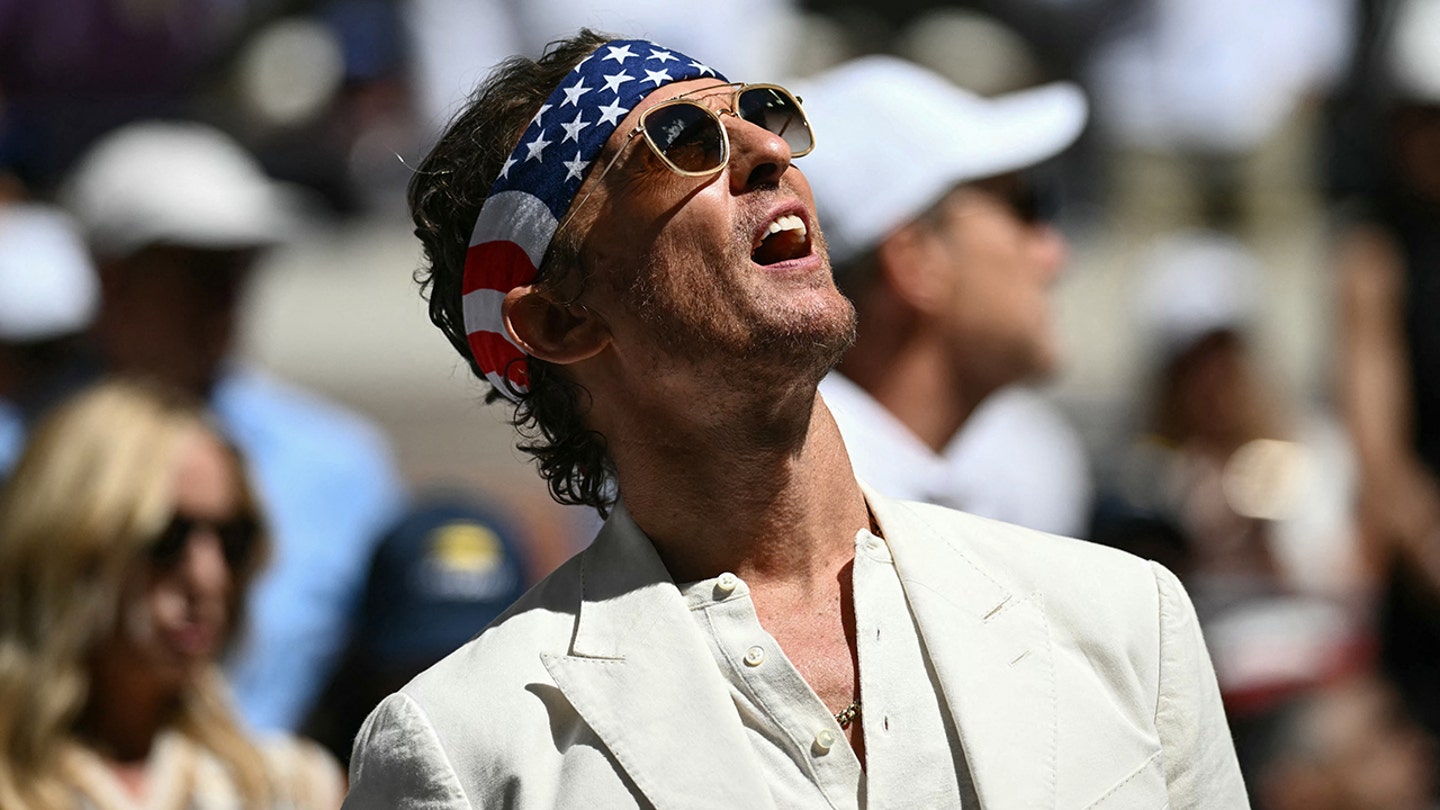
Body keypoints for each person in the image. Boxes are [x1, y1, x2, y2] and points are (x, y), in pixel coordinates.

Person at [344, 31, 1247, 808]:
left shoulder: (1127, 622)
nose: (768, 154)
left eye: (761, 114)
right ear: (562, 322)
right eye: (681, 141)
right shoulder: (470, 749)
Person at [39, 120, 408, 733]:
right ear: (113, 280)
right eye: (194, 268)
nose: (225, 297)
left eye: (239, 267)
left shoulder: (341, 465)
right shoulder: (24, 449)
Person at [0, 378, 343, 809]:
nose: (209, 577)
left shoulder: (293, 787)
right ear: (70, 550)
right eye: (167, 536)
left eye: (233, 541)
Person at [796, 55, 1093, 536]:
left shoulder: (879, 492)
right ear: (915, 259)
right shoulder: (823, 518)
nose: (1054, 256)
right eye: (1025, 208)